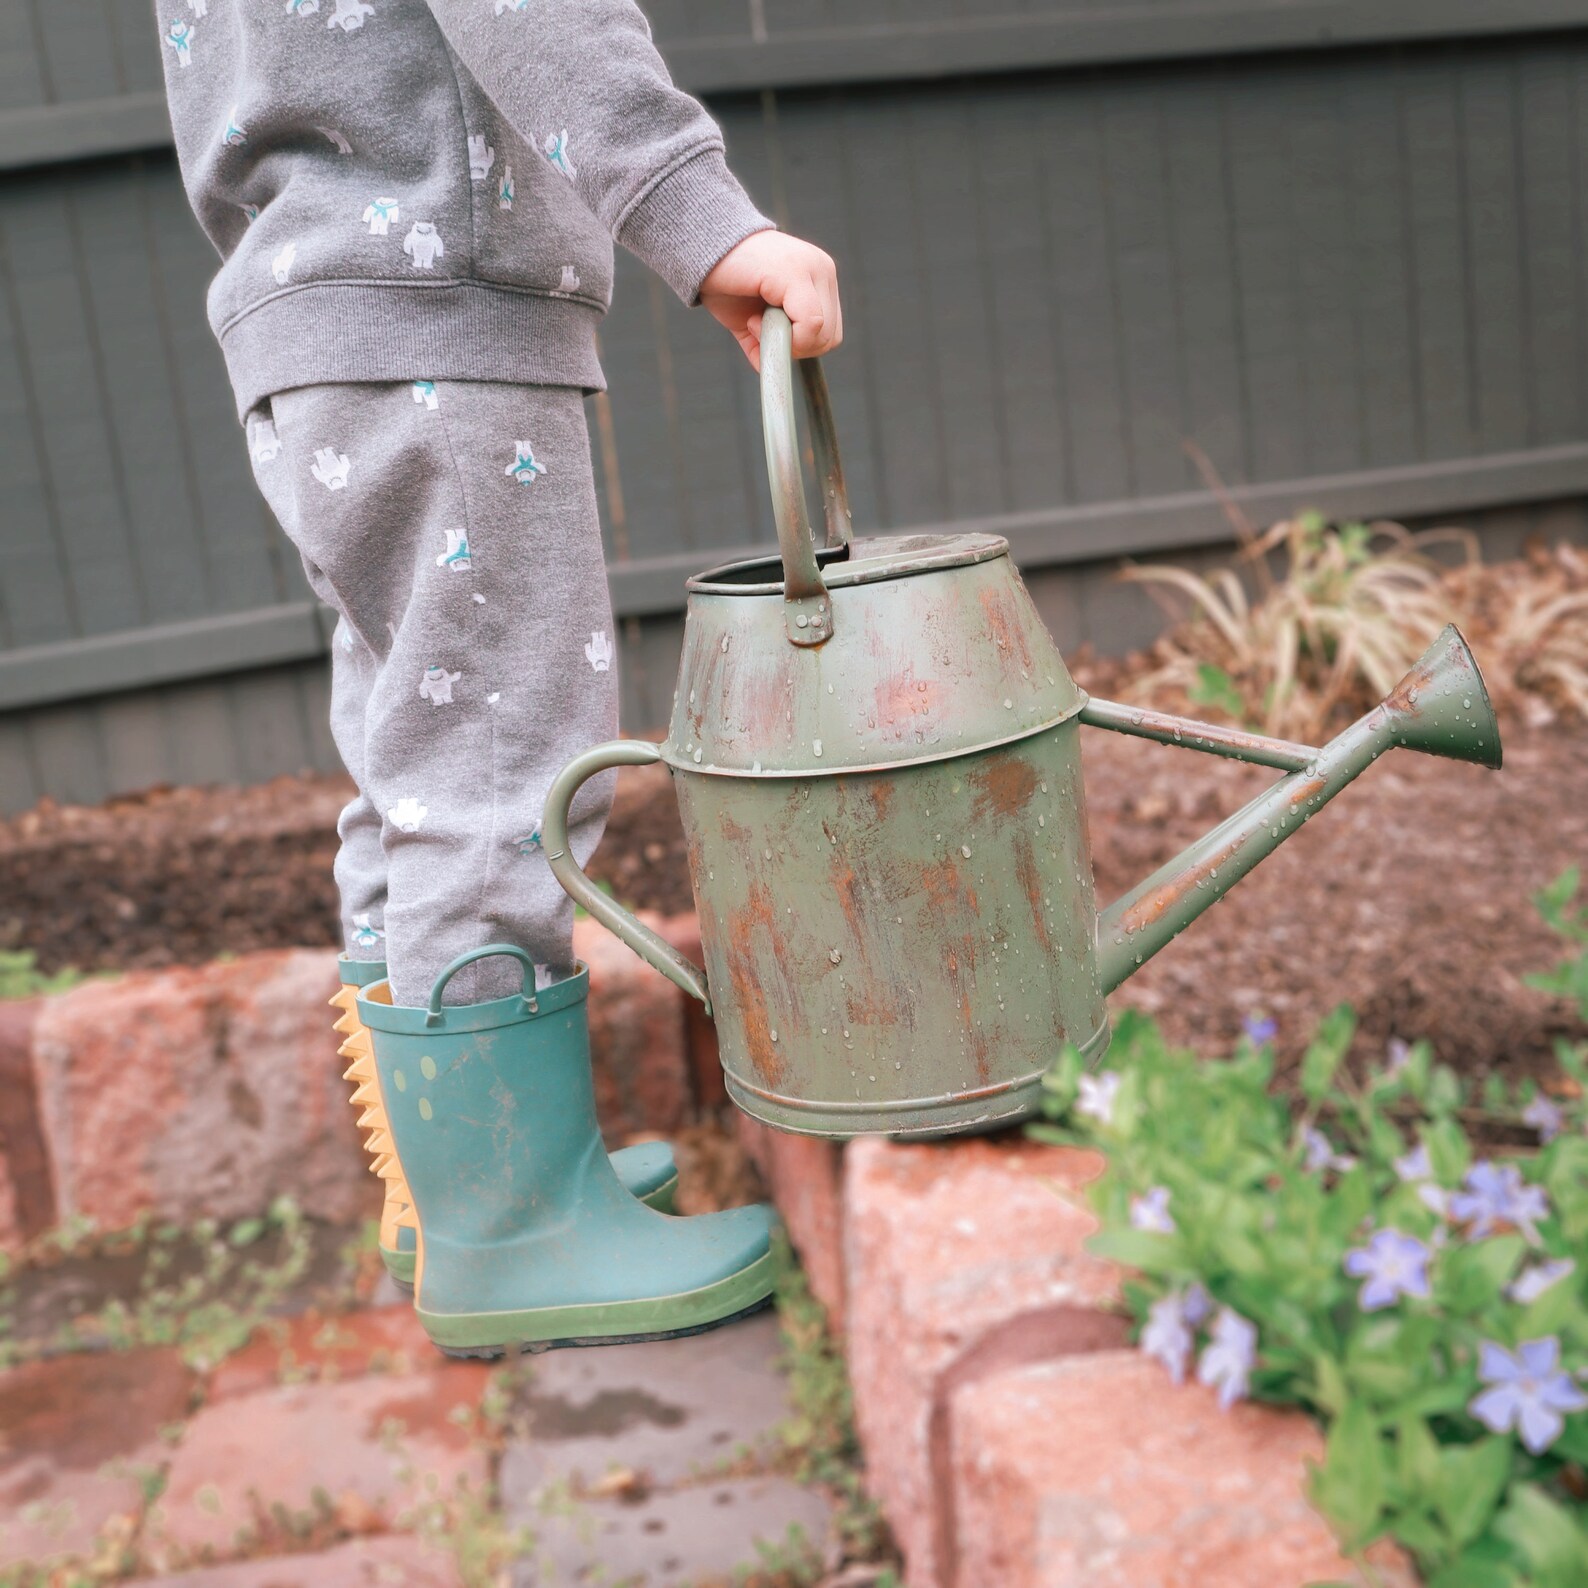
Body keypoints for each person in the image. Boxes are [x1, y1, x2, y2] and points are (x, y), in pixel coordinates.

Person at [157, 0, 841, 1356]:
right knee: (495, 763)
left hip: (322, 322)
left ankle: (448, 1181)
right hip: (437, 320)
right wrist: (700, 217)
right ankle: (512, 1225)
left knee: (416, 758)